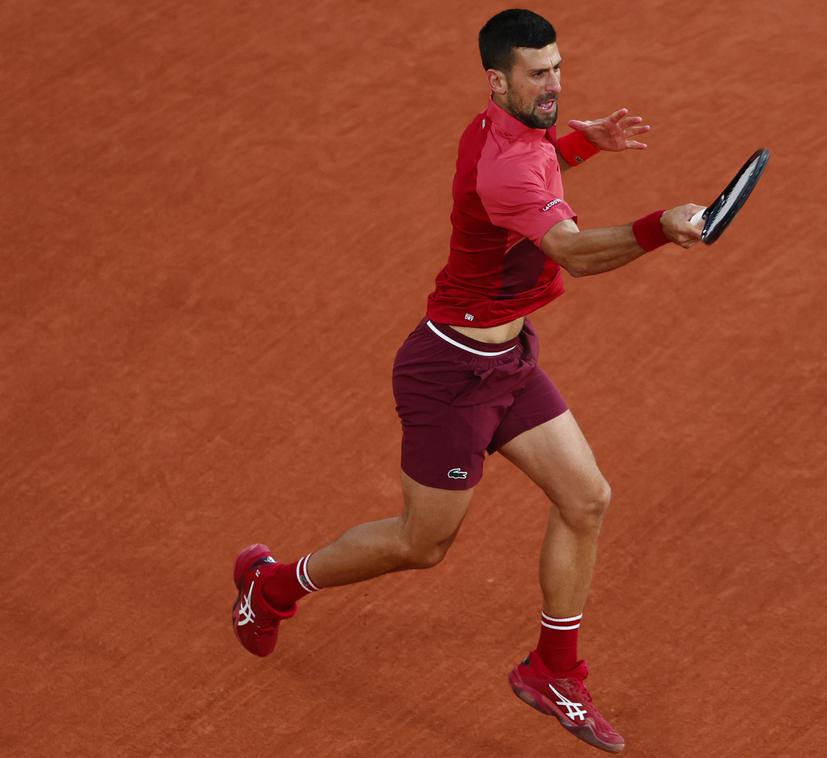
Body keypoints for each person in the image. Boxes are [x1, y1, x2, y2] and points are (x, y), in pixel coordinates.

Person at [231, 9, 703, 753]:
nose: (552, 86)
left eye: (556, 68)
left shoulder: (506, 126)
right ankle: (274, 584)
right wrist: (657, 227)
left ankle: (554, 670)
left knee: (586, 498)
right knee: (421, 546)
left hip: (507, 361)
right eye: (537, 74)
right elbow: (574, 254)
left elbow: (542, 161)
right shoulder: (508, 164)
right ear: (497, 79)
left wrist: (585, 141)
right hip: (451, 372)